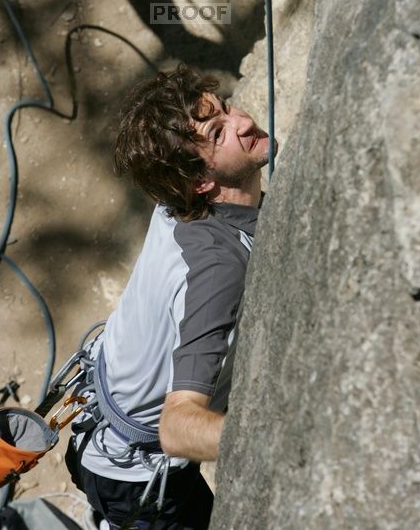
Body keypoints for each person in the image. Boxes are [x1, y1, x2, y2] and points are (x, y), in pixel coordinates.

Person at [65, 65, 275, 529]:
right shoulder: (218, 268)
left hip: (98, 426)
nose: (243, 120)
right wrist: (278, 437)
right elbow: (178, 427)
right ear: (200, 182)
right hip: (137, 480)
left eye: (225, 110)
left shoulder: (176, 201)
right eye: (219, 133)